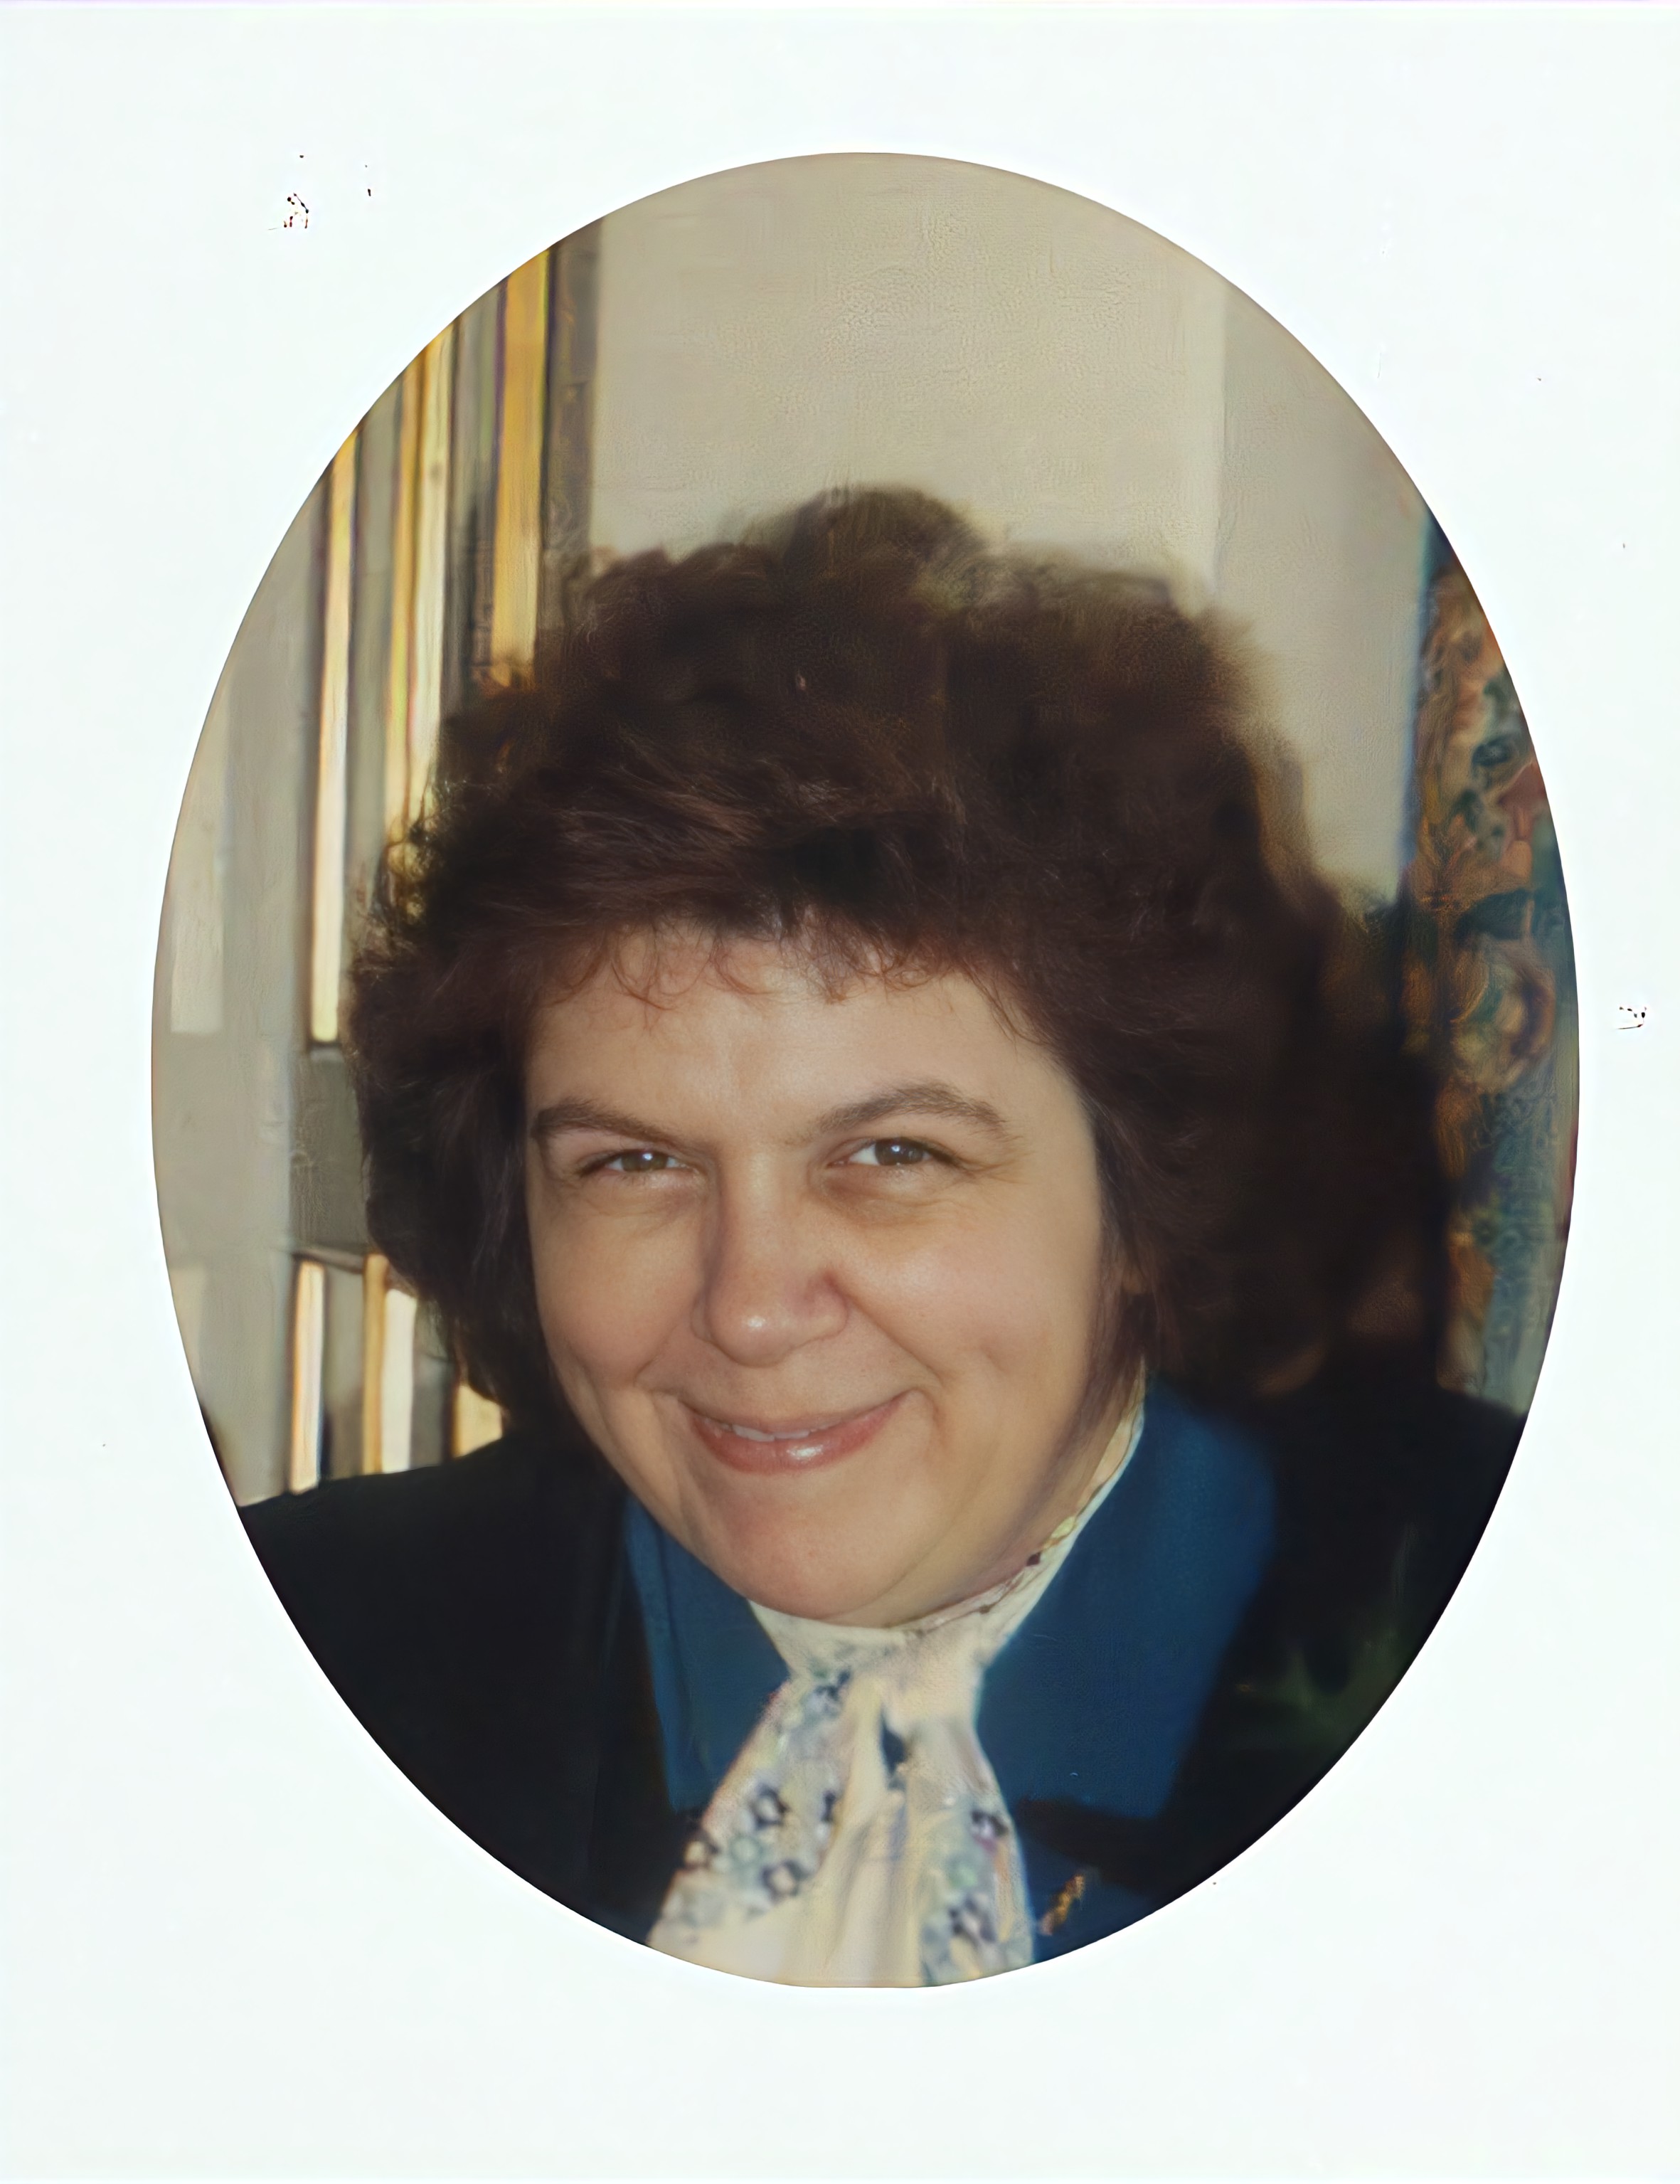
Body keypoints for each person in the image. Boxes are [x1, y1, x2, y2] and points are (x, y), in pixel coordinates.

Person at [244, 488, 1520, 1984]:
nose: (750, 1305)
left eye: (891, 1154)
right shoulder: (287, 1660)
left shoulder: (1532, 1647)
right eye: (635, 1161)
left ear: (1145, 1196)